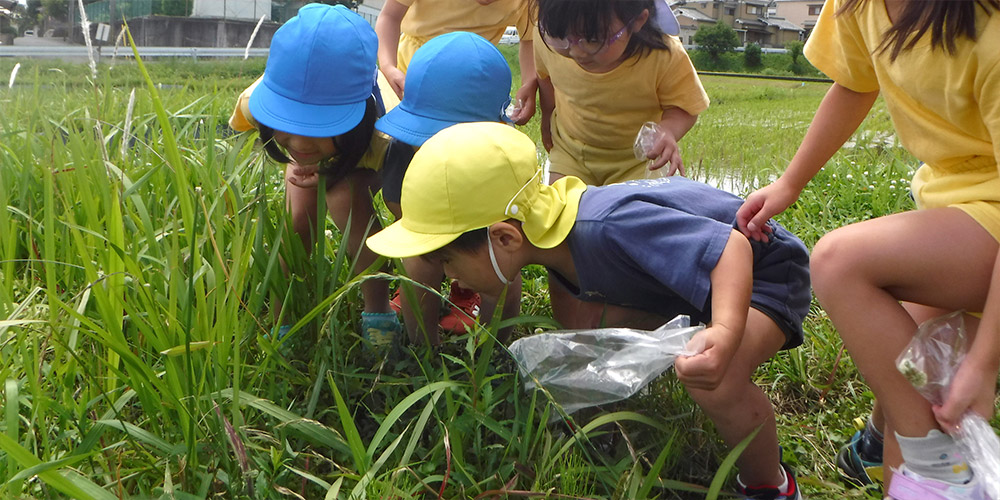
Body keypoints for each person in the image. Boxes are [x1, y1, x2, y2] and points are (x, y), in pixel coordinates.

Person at [367, 122, 812, 500]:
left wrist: (726, 330)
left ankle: (769, 484)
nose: (448, 277)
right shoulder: (552, 237)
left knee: (718, 374)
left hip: (763, 275)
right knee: (581, 324)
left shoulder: (606, 227)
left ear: (505, 238)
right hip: (700, 282)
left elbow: (732, 248)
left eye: (448, 260)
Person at [734, 0, 1000, 496]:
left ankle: (938, 464)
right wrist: (790, 182)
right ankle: (895, 452)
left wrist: (984, 363)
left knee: (841, 260)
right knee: (911, 378)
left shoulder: (991, 33)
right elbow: (855, 83)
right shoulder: (861, 6)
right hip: (960, 207)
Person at [526, 0, 710, 330]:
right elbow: (548, 80)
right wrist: (547, 114)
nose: (575, 50)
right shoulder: (549, 38)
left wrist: (668, 131)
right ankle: (569, 324)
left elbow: (685, 106)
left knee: (630, 240)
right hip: (572, 152)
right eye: (561, 37)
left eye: (592, 39)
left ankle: (631, 316)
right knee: (560, 234)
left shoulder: (663, 55)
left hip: (636, 163)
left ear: (637, 21)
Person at [228, 3, 400, 345]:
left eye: (320, 126)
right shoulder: (254, 103)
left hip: (361, 155)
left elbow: (407, 215)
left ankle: (379, 314)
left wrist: (334, 172)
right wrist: (315, 161)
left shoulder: (387, 132)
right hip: (333, 148)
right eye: (287, 122)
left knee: (348, 203)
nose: (299, 142)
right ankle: (282, 322)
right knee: (297, 222)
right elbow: (287, 137)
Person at [374, 31, 521, 345]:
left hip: (483, 228)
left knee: (503, 267)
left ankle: (493, 349)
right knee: (421, 259)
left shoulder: (503, 164)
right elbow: (403, 215)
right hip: (428, 224)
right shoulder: (404, 154)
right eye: (425, 139)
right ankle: (423, 349)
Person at [373, 0, 538, 126]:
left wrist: (529, 82)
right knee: (410, 133)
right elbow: (390, 16)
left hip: (476, 75)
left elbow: (529, 39)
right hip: (416, 66)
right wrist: (388, 67)